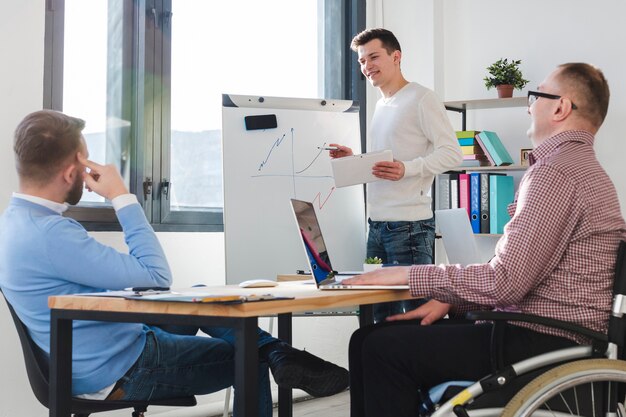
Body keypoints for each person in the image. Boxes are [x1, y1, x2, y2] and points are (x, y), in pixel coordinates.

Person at [0, 110, 349, 416]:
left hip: (94, 354)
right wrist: (122, 197)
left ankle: (276, 350)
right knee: (249, 360)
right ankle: (272, 352)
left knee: (198, 298)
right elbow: (155, 277)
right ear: (70, 172)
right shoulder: (51, 235)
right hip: (120, 368)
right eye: (87, 160)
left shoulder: (14, 223)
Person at [343, 62, 626, 417]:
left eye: (534, 95)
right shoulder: (579, 168)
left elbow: (504, 282)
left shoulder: (556, 173)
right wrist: (452, 300)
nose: (528, 104)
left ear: (560, 107)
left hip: (541, 341)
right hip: (551, 332)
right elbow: (521, 278)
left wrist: (407, 274)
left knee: (377, 347)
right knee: (376, 339)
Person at [329, 28, 463, 322]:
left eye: (374, 57)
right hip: (376, 226)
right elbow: (385, 166)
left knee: (416, 320)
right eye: (362, 61)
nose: (367, 67)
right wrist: (355, 160)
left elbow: (452, 153)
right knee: (377, 317)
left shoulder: (422, 98)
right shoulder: (381, 105)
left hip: (409, 229)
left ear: (396, 57)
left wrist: (407, 168)